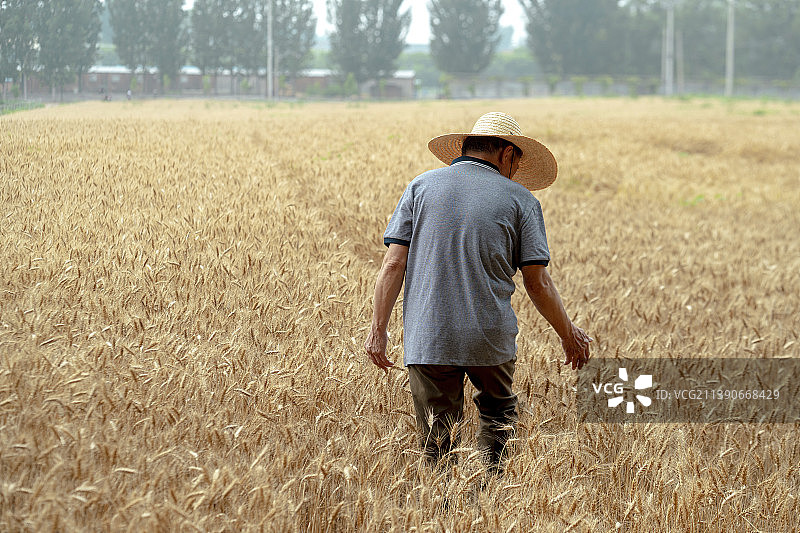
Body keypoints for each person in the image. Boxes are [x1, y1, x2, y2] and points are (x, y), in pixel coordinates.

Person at [365, 112, 592, 471]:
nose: (516, 172)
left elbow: (393, 265)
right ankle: (494, 496)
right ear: (506, 154)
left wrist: (378, 330)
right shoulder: (522, 201)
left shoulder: (420, 187)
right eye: (517, 163)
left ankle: (442, 508)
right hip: (489, 335)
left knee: (438, 437)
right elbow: (538, 282)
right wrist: (569, 334)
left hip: (430, 335)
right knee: (498, 415)